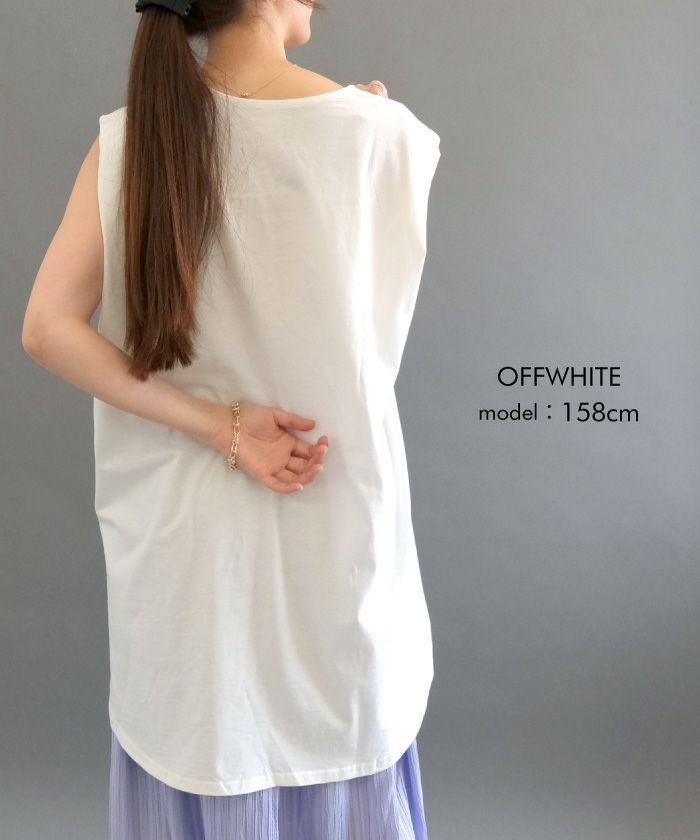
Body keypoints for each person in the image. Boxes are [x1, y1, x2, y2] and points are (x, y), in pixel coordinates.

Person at [21, 0, 441, 837]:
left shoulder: (130, 142)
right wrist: (365, 115)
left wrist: (222, 425)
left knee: (206, 754)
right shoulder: (382, 136)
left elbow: (47, 328)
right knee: (340, 756)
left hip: (187, 569)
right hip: (334, 537)